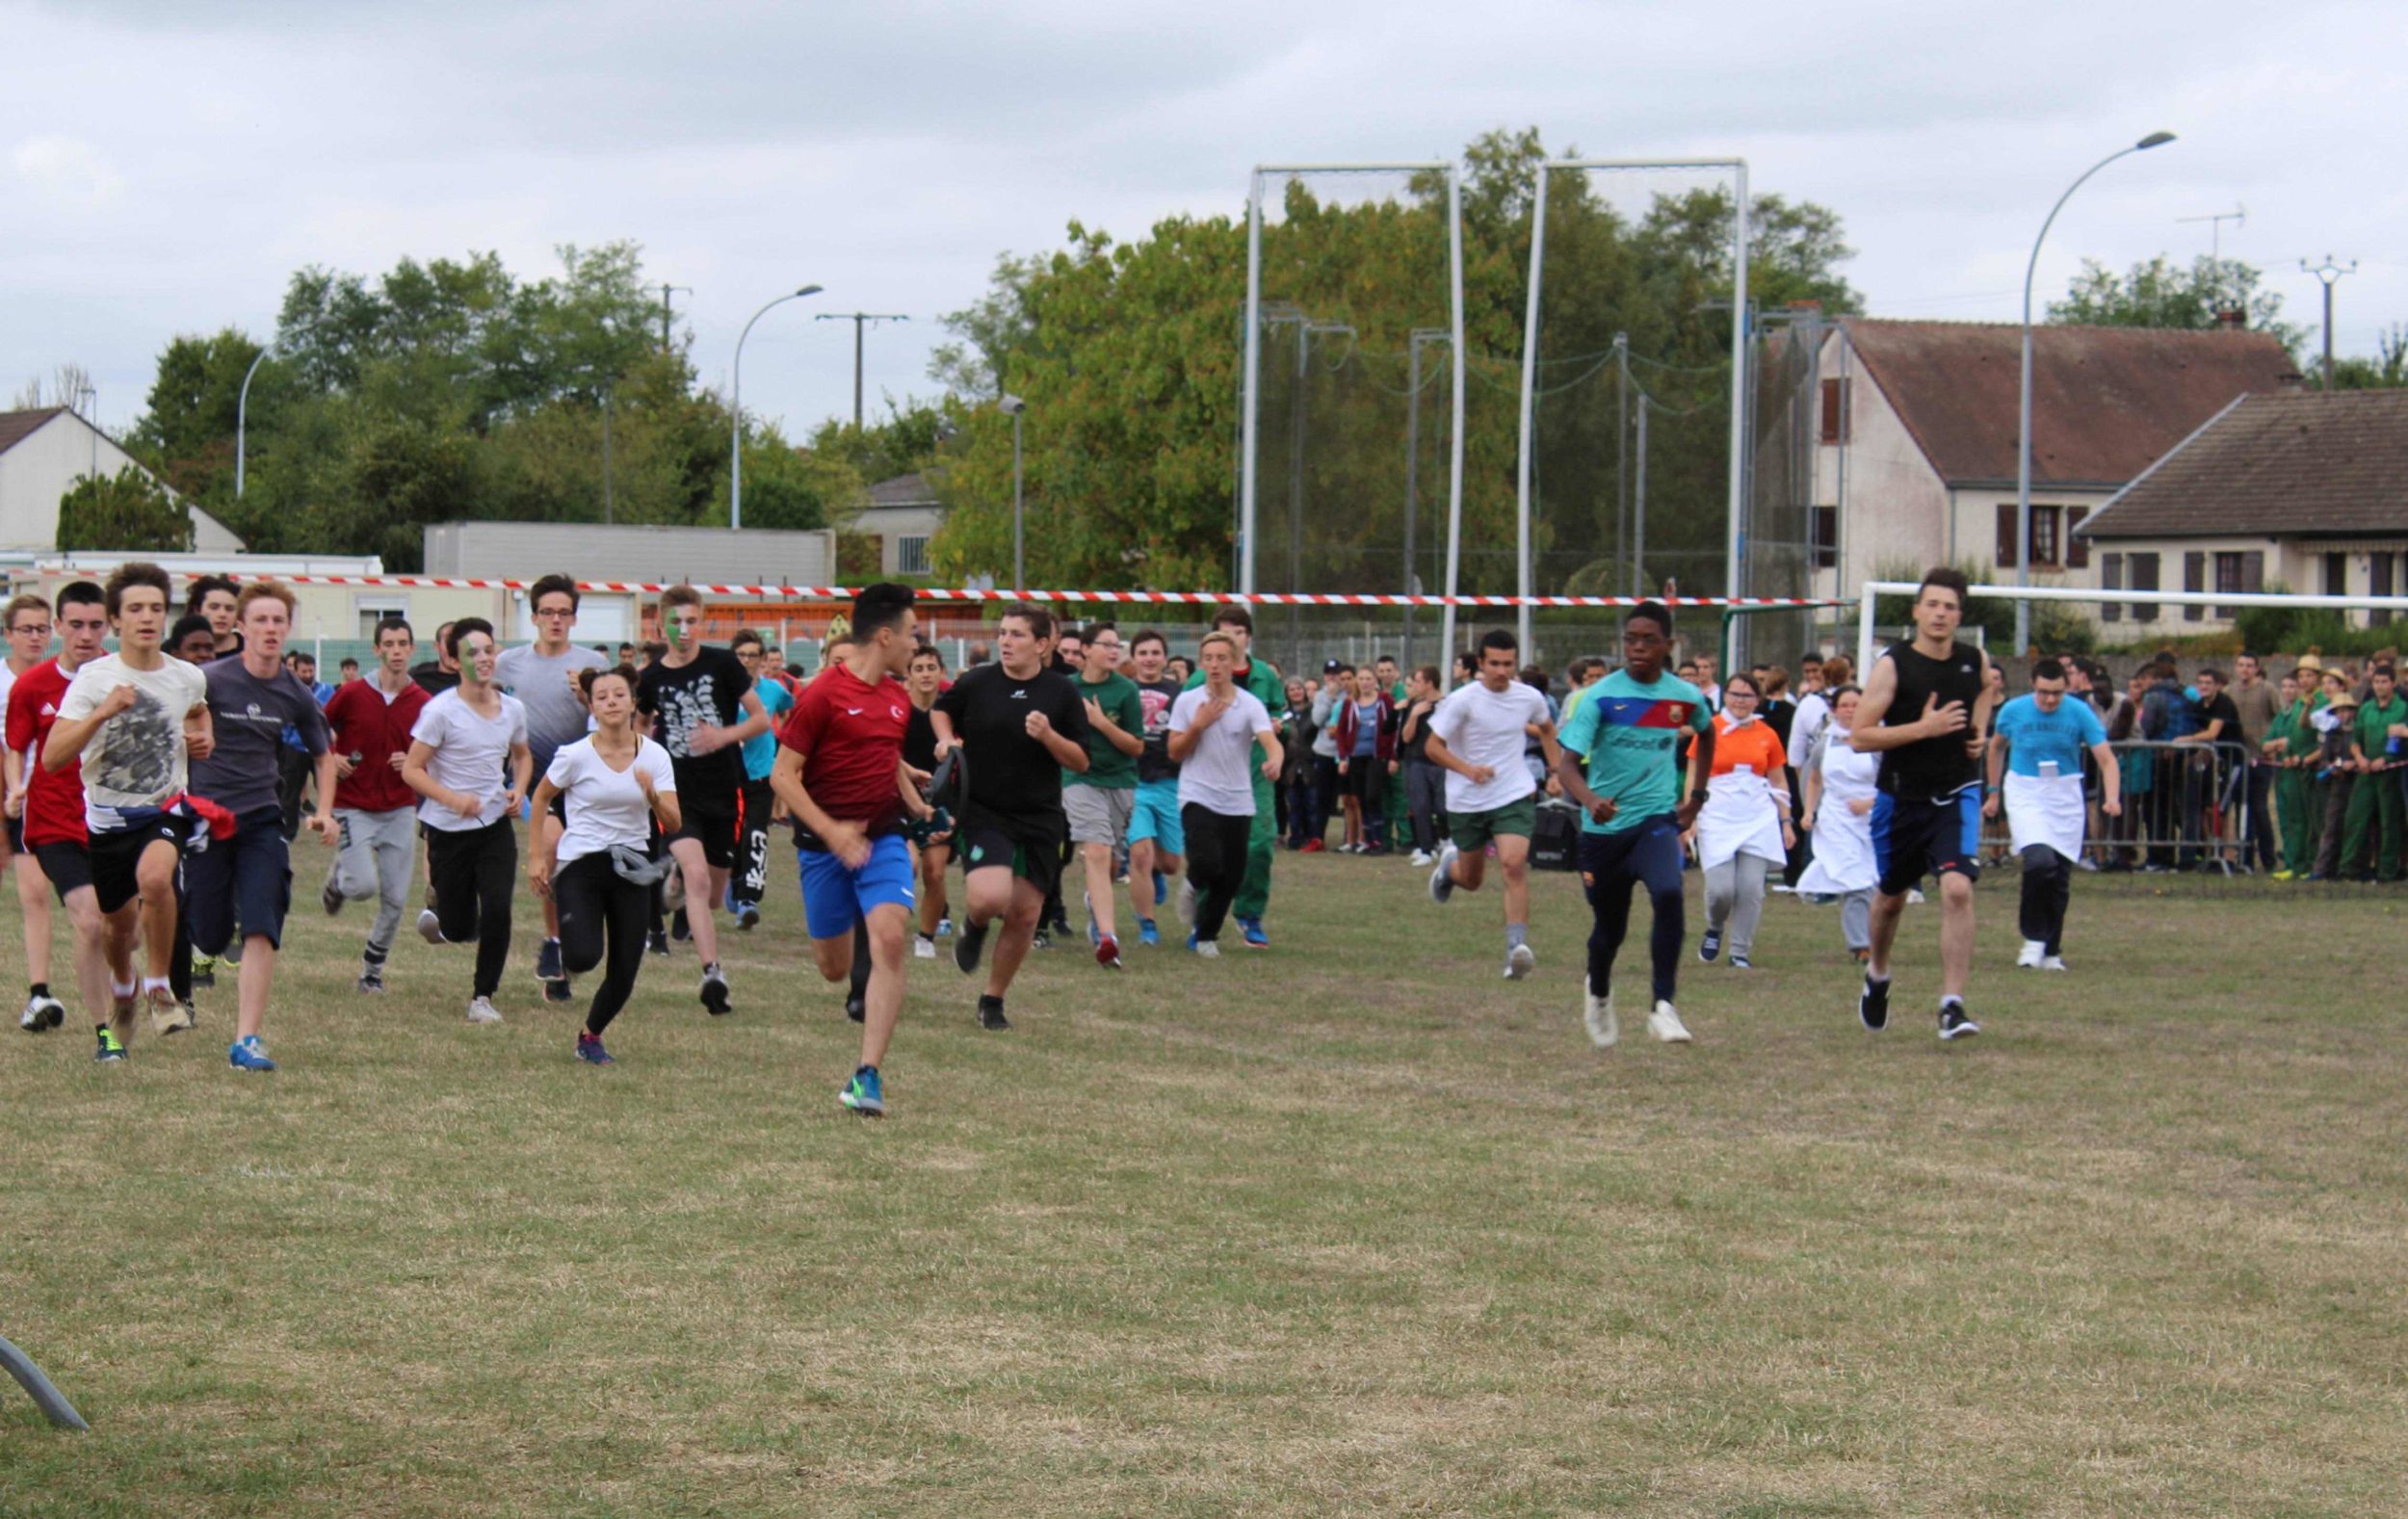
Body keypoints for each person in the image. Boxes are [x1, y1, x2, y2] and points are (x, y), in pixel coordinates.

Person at [772, 585, 934, 1114]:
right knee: (833, 968)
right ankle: (845, 959)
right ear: (884, 636)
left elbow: (882, 755)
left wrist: (912, 794)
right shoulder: (821, 695)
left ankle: (867, 1075)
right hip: (823, 848)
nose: (916, 644)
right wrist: (833, 832)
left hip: (883, 836)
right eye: (911, 633)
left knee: (890, 938)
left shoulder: (896, 698)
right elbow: (783, 776)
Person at [41, 563, 213, 1063]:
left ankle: (160, 988)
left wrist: (204, 739)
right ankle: (124, 984)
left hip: (165, 807)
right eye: (135, 609)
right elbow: (53, 758)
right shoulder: (96, 679)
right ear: (116, 620)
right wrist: (102, 713)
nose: (147, 618)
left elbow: (199, 709)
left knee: (157, 880)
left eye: (156, 608)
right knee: (118, 930)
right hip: (109, 817)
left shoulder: (187, 676)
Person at [183, 580, 338, 1073]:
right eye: (261, 620)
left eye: (278, 621)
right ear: (242, 627)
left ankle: (246, 1040)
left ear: (287, 628)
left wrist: (326, 811)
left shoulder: (295, 693)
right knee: (207, 935)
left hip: (262, 821)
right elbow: (174, 728)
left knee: (261, 927)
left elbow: (323, 756)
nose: (270, 629)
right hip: (207, 819)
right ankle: (203, 941)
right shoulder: (210, 680)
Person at [1555, 603, 1713, 1047]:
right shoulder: (1600, 697)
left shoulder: (1684, 697)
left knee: (1668, 890)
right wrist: (1589, 799)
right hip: (1604, 833)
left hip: (1655, 822)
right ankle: (1599, 991)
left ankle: (1663, 1006)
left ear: (1668, 644)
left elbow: (1709, 732)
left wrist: (1696, 800)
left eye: (1648, 640)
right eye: (1631, 640)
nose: (1638, 648)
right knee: (1610, 930)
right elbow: (1566, 766)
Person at [1849, 567, 1996, 1041]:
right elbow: (1860, 737)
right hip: (1901, 798)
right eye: (1932, 604)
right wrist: (1923, 729)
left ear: (1960, 615)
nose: (1940, 614)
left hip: (1956, 793)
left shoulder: (1975, 659)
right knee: (1890, 899)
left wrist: (1978, 732)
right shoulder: (1893, 664)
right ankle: (1878, 973)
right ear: (1916, 610)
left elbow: (1987, 688)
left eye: (1950, 606)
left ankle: (1951, 1004)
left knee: (1957, 888)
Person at [932, 604, 1090, 1031]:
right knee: (988, 897)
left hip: (1040, 816)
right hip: (985, 810)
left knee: (1023, 915)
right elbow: (941, 709)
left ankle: (993, 998)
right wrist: (946, 740)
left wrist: (1049, 736)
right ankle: (974, 923)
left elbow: (1081, 760)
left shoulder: (1061, 693)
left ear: (1042, 645)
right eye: (1002, 632)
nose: (1005, 641)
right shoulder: (978, 681)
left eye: (1017, 634)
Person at [529, 666, 679, 1066]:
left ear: (633, 701)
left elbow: (675, 822)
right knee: (582, 958)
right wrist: (535, 858)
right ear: (591, 706)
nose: (611, 702)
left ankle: (590, 1036)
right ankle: (560, 958)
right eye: (602, 696)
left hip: (631, 866)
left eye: (619, 694)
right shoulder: (574, 755)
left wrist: (653, 795)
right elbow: (541, 798)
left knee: (625, 970)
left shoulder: (655, 756)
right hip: (582, 863)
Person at [638, 586, 772, 1013]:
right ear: (661, 625)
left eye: (691, 621)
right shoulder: (653, 676)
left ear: (703, 623)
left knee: (712, 895)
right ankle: (713, 973)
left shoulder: (722, 664)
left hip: (724, 790)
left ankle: (673, 885)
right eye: (675, 622)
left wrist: (722, 736)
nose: (684, 629)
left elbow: (760, 719)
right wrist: (640, 763)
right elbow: (641, 722)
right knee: (697, 878)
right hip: (677, 793)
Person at [403, 618, 533, 1025]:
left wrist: (518, 790)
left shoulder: (512, 708)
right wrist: (452, 799)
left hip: (494, 827)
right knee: (460, 929)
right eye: (472, 652)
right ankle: (441, 910)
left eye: (489, 650)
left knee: (498, 908)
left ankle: (483, 996)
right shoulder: (440, 711)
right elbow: (412, 769)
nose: (483, 658)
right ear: (455, 661)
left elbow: (523, 755)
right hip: (446, 829)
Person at [496, 574, 610, 999]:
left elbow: (608, 717)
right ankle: (553, 941)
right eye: (548, 612)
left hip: (579, 782)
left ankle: (562, 961)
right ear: (534, 617)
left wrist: (585, 697)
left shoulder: (590, 662)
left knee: (572, 871)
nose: (556, 619)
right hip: (532, 778)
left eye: (564, 612)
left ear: (575, 618)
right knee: (552, 847)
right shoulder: (510, 663)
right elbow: (482, 700)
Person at [1426, 629, 1560, 982]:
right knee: (1472, 880)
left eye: (1508, 664)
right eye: (1495, 664)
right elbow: (1433, 747)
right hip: (1467, 799)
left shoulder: (1529, 697)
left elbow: (1547, 729)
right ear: (1481, 664)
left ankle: (1516, 951)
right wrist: (1468, 769)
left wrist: (1556, 770)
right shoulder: (1463, 700)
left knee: (1514, 865)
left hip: (1512, 792)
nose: (1502, 671)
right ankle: (1449, 870)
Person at [1985, 659, 2121, 971]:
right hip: (2025, 789)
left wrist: (2111, 797)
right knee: (2038, 861)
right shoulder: (2013, 711)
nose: (2050, 700)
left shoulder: (2079, 711)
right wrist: (1993, 792)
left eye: (2057, 693)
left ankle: (2051, 950)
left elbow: (2107, 759)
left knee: (2058, 874)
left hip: (2064, 792)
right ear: (2033, 684)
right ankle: (2033, 938)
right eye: (2044, 692)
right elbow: (1996, 748)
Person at [320, 616, 431, 993]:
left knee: (396, 899)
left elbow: (439, 751)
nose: (396, 651)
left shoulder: (424, 703)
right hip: (353, 806)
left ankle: (371, 970)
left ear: (412, 649)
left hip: (400, 808)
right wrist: (331, 756)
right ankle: (341, 878)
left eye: (403, 644)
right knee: (364, 886)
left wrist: (416, 761)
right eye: (389, 644)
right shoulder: (352, 693)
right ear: (377, 649)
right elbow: (317, 728)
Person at [1168, 631, 1282, 955]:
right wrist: (1198, 725)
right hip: (1197, 795)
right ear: (1201, 663)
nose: (1215, 665)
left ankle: (1206, 936)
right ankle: (1191, 884)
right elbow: (1175, 752)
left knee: (1231, 875)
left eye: (1222, 658)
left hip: (1238, 800)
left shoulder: (1250, 704)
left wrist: (1274, 761)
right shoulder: (1189, 702)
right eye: (1209, 659)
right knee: (1206, 861)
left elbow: (1270, 741)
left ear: (1234, 662)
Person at [1687, 672, 1792, 971]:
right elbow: (1694, 774)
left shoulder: (1767, 734)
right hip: (1717, 812)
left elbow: (1778, 779)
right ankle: (1715, 926)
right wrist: (1691, 812)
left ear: (1757, 700)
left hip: (1756, 815)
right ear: (1725, 695)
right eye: (1735, 694)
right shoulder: (1710, 729)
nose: (1740, 701)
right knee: (1721, 889)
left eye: (1747, 696)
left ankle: (1739, 951)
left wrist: (1786, 820)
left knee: (1751, 889)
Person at [1062, 621, 1143, 968]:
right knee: (1095, 851)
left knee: (1109, 862)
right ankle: (1109, 939)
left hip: (1120, 782)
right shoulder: (1065, 689)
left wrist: (1100, 722)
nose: (1114, 650)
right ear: (1085, 650)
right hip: (1079, 779)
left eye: (1117, 644)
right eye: (1106, 644)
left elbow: (1136, 747)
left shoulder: (1126, 691)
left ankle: (1096, 909)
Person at [2, 591, 63, 1033]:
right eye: (27, 629)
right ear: (8, 635)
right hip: (18, 798)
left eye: (43, 628)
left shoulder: (64, 678)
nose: (36, 637)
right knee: (35, 895)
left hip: (64, 798)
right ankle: (39, 993)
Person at [1796, 685, 1879, 962]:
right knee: (1854, 879)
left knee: (1872, 880)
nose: (1850, 710)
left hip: (1870, 820)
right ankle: (1860, 944)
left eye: (1856, 704)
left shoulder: (1877, 742)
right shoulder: (1825, 742)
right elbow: (1815, 779)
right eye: (1845, 705)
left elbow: (1892, 784)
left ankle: (1874, 936)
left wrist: (1869, 803)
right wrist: (1809, 811)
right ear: (1835, 710)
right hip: (1835, 819)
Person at [727, 629, 797, 930]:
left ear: (762, 659)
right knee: (732, 839)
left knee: (756, 835)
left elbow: (790, 712)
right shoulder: (722, 692)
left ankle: (749, 901)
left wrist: (780, 746)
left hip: (761, 775)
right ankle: (733, 882)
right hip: (728, 776)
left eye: (752, 655)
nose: (746, 661)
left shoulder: (774, 691)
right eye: (741, 655)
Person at [1123, 629, 1186, 948]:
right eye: (1143, 652)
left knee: (1171, 863)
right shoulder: (1124, 691)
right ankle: (1147, 924)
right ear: (1133, 658)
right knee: (1140, 854)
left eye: (1155, 652)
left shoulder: (1179, 693)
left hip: (1170, 783)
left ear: (1165, 657)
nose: (1149, 658)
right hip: (1134, 783)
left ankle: (1156, 874)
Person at [905, 642, 955, 958]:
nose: (925, 674)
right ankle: (885, 925)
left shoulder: (950, 714)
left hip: (940, 806)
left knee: (934, 873)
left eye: (931, 668)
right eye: (919, 668)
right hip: (898, 801)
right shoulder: (897, 710)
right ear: (908, 675)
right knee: (906, 865)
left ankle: (926, 936)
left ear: (942, 673)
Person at [2338, 663, 2406, 882]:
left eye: (2384, 682)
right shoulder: (2366, 708)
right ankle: (2349, 868)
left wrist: (2384, 760)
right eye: (2376, 682)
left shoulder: (2402, 708)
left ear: (2393, 684)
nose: (2380, 686)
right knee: (2355, 819)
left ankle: (2387, 870)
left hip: (2390, 773)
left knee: (2389, 822)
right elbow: (2355, 738)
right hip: (2365, 772)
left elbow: (2400, 742)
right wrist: (2359, 758)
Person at [1333, 664, 1397, 853]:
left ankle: (1378, 840)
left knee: (1373, 796)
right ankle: (1366, 841)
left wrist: (1393, 757)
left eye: (1368, 679)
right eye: (1361, 679)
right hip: (1356, 756)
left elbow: (1393, 730)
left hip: (1376, 756)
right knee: (1361, 798)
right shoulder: (1350, 703)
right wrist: (1343, 757)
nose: (1365, 683)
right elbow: (1342, 732)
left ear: (1375, 681)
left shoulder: (1385, 701)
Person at [2230, 652, 2284, 874]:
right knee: (2242, 809)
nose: (2245, 669)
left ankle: (2268, 858)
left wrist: (2273, 745)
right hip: (2238, 757)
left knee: (2260, 807)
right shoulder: (2229, 691)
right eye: (2241, 665)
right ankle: (2245, 859)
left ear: (2256, 668)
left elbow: (2280, 717)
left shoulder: (2267, 689)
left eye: (2249, 665)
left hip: (2261, 758)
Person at [1397, 666, 1446, 866]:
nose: (1415, 685)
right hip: (1416, 762)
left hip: (1440, 763)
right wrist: (1414, 715)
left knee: (1443, 808)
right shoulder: (1414, 706)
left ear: (1429, 683)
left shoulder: (1446, 705)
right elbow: (1406, 737)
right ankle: (1426, 849)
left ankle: (1445, 840)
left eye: (1418, 681)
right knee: (1420, 806)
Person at [186, 575, 242, 656]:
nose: (222, 614)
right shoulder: (176, 648)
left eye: (229, 609)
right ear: (197, 610)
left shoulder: (251, 649)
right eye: (214, 607)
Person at [410, 621, 461, 695]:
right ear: (437, 646)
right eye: (449, 641)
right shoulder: (418, 675)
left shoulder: (474, 679)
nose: (454, 649)